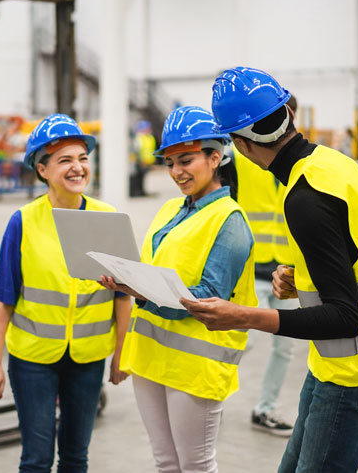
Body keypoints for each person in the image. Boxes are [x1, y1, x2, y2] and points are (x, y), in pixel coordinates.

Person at [181, 67, 358, 472]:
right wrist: (300, 277)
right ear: (289, 114)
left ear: (241, 144)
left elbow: (346, 317)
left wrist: (243, 317)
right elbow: (352, 251)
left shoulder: (305, 198)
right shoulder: (331, 163)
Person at [99, 106, 258, 473]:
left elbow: (208, 299)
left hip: (195, 366)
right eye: (170, 163)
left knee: (196, 465)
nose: (176, 172)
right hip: (151, 357)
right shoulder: (171, 209)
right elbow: (153, 272)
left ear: (215, 157)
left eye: (185, 160)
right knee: (166, 463)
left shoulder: (230, 222)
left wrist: (140, 291)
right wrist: (125, 280)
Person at [0, 114, 132, 473]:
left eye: (82, 158)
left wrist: (121, 356)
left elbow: (123, 297)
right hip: (33, 359)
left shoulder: (108, 219)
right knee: (36, 459)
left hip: (88, 357)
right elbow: (5, 297)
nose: (78, 167)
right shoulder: (24, 221)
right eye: (65, 160)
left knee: (76, 457)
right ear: (42, 168)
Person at [232, 92, 300, 438]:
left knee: (285, 348)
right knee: (244, 340)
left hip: (287, 271)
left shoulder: (300, 162)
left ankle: (266, 410)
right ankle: (203, 391)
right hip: (253, 266)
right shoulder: (240, 157)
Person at [130, 120, 158, 197]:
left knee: (143, 177)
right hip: (140, 162)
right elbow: (136, 150)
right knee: (137, 177)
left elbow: (151, 149)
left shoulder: (150, 137)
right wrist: (138, 160)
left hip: (147, 161)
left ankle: (141, 191)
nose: (148, 130)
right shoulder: (139, 138)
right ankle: (136, 192)